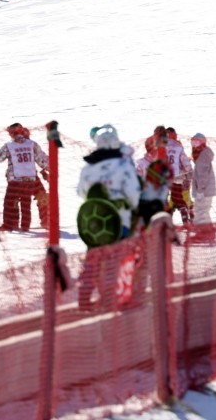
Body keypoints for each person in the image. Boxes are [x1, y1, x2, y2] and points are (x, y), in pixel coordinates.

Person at [75, 126, 140, 309]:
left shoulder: (88, 168)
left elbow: (81, 192)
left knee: (93, 261)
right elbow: (134, 195)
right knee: (116, 261)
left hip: (93, 223)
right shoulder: (123, 165)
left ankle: (84, 296)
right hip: (118, 223)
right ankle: (113, 298)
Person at [0, 123, 49, 231]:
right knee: (38, 198)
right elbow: (42, 159)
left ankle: (11, 224)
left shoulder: (10, 146)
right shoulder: (32, 144)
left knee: (11, 201)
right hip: (31, 178)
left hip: (16, 180)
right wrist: (49, 168)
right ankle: (44, 221)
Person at [188, 132, 216, 234]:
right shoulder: (202, 155)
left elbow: (203, 176)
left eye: (197, 142)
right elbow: (199, 174)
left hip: (204, 191)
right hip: (206, 190)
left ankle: (203, 233)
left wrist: (200, 191)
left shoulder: (203, 155)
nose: (194, 145)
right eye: (193, 142)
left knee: (200, 212)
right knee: (203, 211)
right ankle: (209, 232)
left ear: (202, 142)